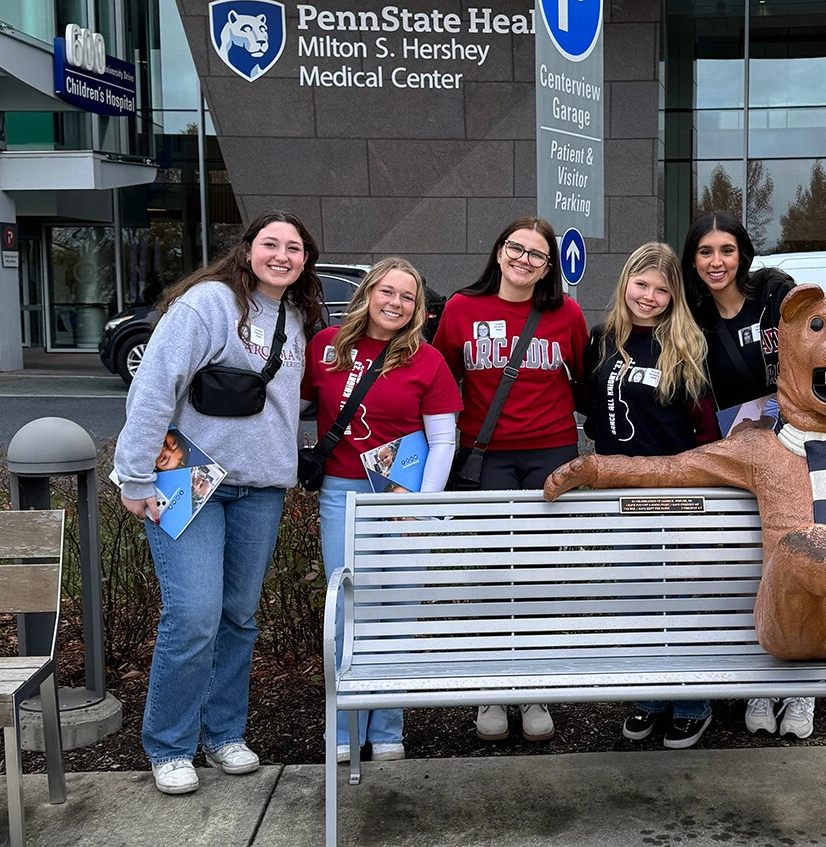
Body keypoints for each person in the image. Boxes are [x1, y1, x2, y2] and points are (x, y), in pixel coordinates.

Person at [113, 212, 324, 796]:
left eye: (295, 248)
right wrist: (133, 477)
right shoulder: (208, 303)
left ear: (305, 260)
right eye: (270, 244)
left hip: (259, 487)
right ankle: (170, 745)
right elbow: (155, 384)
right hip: (186, 477)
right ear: (247, 249)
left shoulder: (298, 316)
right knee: (193, 616)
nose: (282, 255)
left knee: (239, 617)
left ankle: (224, 733)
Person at [431, 215, 588, 743]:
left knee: (541, 572)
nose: (525, 260)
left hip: (551, 450)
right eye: (516, 249)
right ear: (499, 252)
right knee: (489, 571)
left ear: (550, 266)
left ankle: (536, 688)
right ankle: (492, 688)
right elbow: (440, 380)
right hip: (485, 455)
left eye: (537, 254)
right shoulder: (460, 309)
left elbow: (582, 374)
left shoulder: (565, 313)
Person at [303, 257, 460, 764]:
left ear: (417, 308)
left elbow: (443, 439)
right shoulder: (325, 348)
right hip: (342, 492)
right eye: (387, 292)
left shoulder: (426, 359)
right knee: (346, 608)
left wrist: (420, 504)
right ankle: (346, 730)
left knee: (399, 607)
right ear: (368, 293)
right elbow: (287, 407)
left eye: (407, 297)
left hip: (402, 495)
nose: (396, 303)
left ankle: (387, 726)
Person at [679, 210, 815, 741]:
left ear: (743, 255)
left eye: (726, 250)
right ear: (693, 260)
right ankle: (764, 679)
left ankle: (803, 689)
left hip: (807, 442)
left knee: (810, 552)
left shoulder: (776, 295)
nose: (717, 262)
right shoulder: (693, 319)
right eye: (705, 252)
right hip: (744, 451)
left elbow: (823, 344)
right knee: (758, 558)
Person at [583, 242, 718, 748]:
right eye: (642, 284)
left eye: (663, 289)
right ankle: (648, 695)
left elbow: (705, 430)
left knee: (680, 596)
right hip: (618, 487)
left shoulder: (686, 343)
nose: (651, 296)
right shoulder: (601, 339)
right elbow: (591, 410)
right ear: (625, 283)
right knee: (634, 593)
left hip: (676, 488)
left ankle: (690, 702)